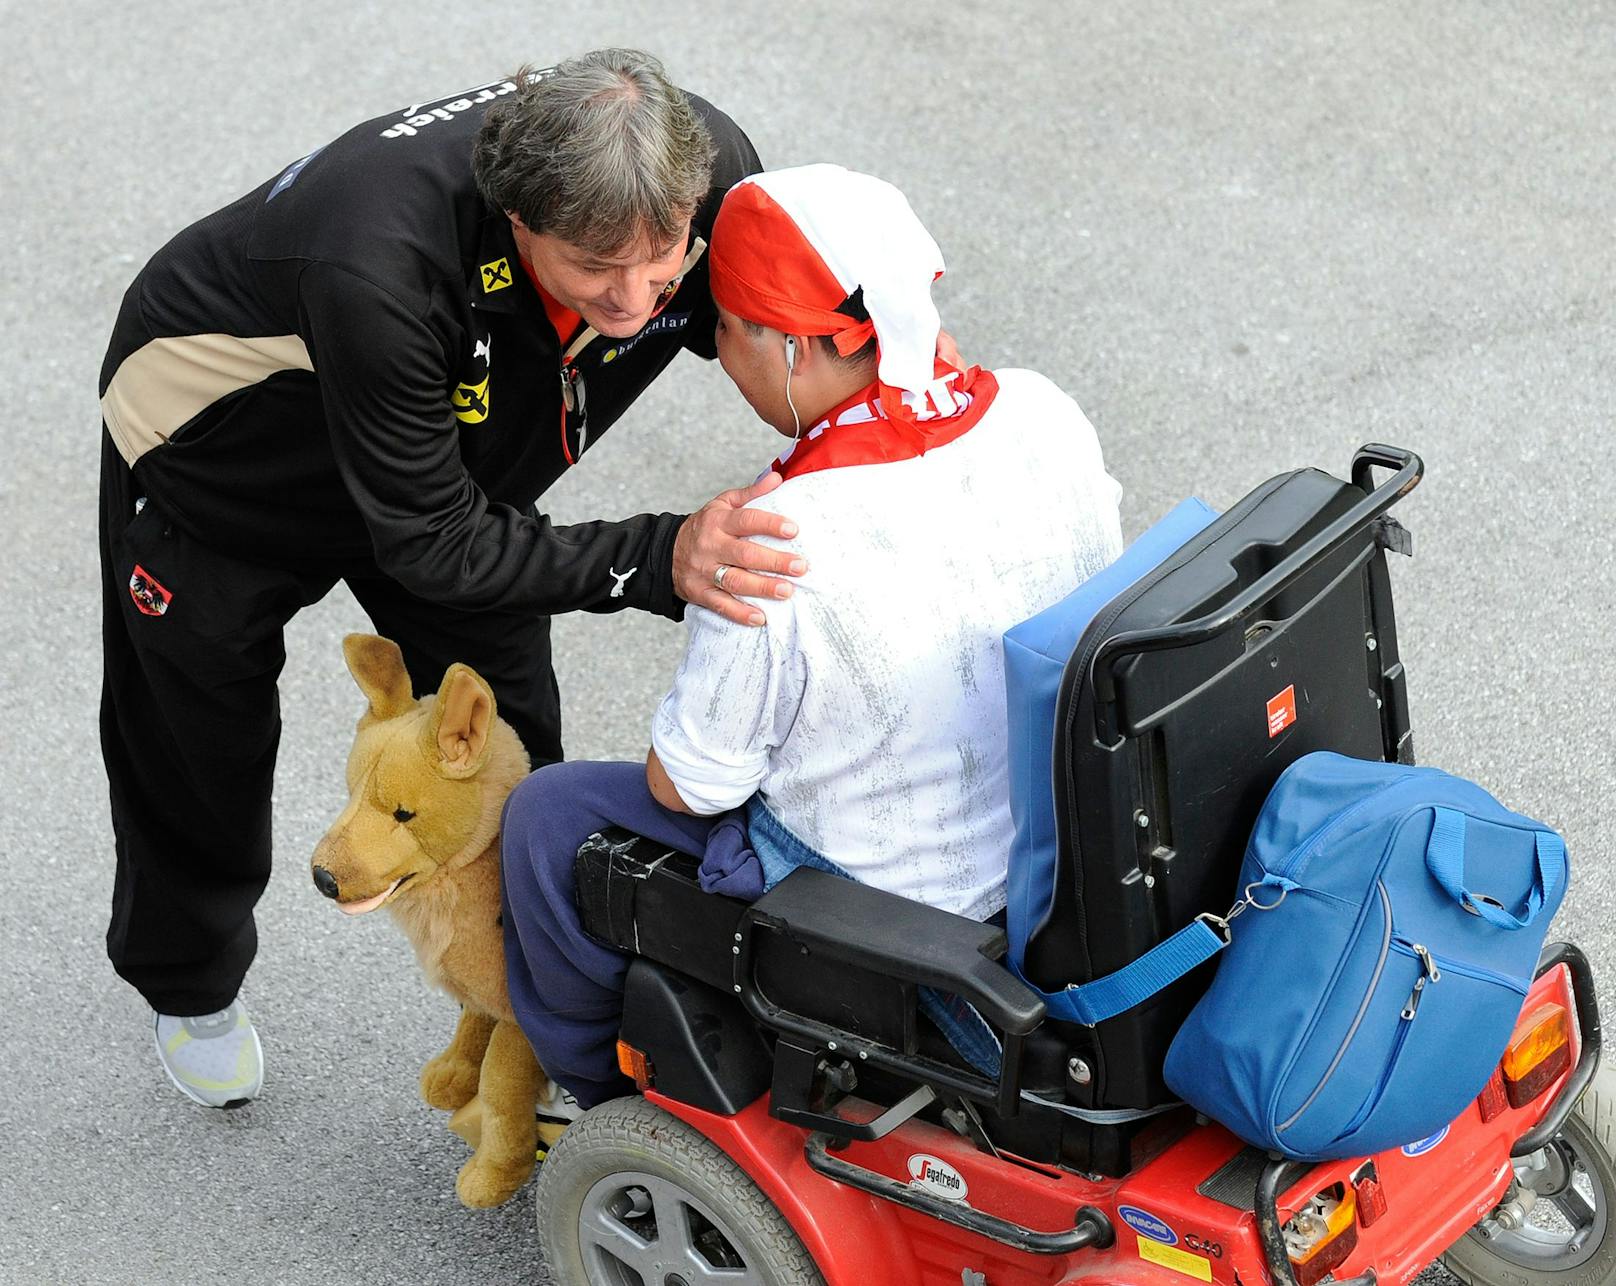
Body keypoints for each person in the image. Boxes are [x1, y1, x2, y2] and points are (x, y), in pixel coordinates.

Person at [98, 49, 804, 1109]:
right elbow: (434, 546)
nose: (635, 294)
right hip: (227, 464)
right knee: (199, 741)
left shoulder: (705, 174)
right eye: (594, 266)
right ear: (515, 215)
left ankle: (548, 1017)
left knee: (510, 743)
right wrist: (660, 555)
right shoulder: (375, 258)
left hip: (444, 462)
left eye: (662, 257)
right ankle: (187, 979)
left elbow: (785, 342)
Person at [500, 163, 1125, 1110]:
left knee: (548, 815)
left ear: (788, 346)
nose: (718, 349)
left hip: (889, 916)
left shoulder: (773, 537)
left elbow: (693, 782)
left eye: (724, 328)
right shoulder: (1042, 411)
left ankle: (598, 1100)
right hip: (1061, 852)